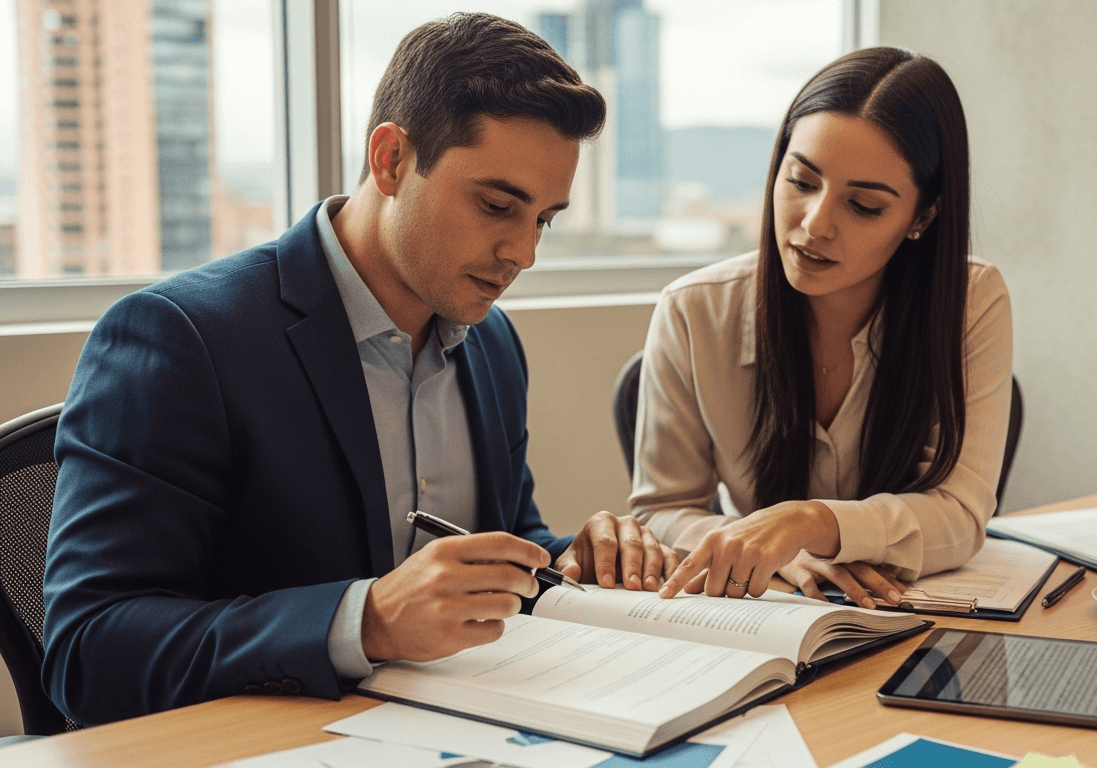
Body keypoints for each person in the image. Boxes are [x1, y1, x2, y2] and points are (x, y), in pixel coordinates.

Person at [43, 12, 677, 727]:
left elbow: (497, 547)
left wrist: (572, 558)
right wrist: (364, 620)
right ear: (392, 160)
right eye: (497, 206)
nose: (522, 253)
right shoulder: (182, 338)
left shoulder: (491, 342)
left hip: (452, 731)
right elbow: (87, 654)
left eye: (544, 219)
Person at [632, 47, 1012, 608]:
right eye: (802, 181)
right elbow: (660, 510)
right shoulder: (694, 311)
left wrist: (812, 524)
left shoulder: (971, 302)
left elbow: (961, 514)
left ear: (922, 218)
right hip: (768, 616)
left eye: (862, 205)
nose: (815, 225)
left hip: (908, 620)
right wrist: (765, 547)